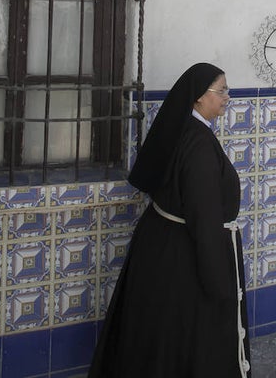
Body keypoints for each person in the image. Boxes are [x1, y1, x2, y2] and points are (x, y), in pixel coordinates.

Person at [89, 62, 250, 377]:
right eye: (222, 91)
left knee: (160, 336)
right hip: (184, 258)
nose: (227, 97)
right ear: (198, 98)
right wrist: (219, 282)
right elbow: (204, 219)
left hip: (161, 246)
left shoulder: (183, 131)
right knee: (187, 338)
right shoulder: (200, 145)